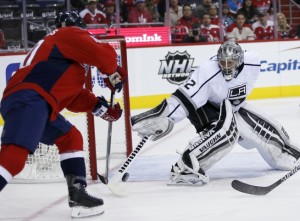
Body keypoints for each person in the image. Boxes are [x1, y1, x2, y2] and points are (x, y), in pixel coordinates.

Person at [0, 11, 126, 217]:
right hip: (32, 98)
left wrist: (103, 109)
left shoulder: (61, 56)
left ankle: (78, 196)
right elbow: (104, 56)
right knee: (14, 156)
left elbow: (73, 97)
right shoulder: (67, 34)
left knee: (70, 137)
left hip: (37, 101)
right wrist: (110, 71)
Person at [130, 41, 300, 186]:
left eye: (230, 63)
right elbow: (183, 99)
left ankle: (289, 156)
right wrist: (166, 117)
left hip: (230, 107)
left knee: (267, 130)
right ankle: (185, 167)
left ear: (239, 61)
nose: (226, 67)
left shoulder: (253, 61)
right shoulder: (207, 72)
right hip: (203, 107)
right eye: (223, 62)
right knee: (226, 134)